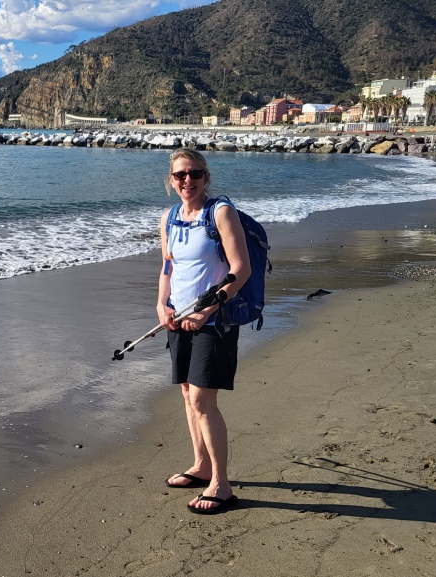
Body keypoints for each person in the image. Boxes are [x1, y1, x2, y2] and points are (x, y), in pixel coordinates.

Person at [157, 148, 251, 515]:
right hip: (177, 319)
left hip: (214, 322)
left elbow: (239, 270)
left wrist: (208, 309)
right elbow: (167, 267)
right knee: (186, 393)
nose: (187, 181)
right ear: (171, 179)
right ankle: (201, 466)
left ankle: (221, 485)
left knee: (201, 401)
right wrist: (161, 305)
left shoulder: (221, 213)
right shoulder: (169, 217)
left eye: (194, 174)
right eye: (180, 175)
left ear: (205, 177)